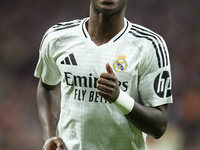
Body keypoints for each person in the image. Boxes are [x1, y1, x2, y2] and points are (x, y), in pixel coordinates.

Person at [34, 0, 173, 150]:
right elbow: (47, 86)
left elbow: (159, 126)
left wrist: (119, 98)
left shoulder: (149, 45)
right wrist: (49, 135)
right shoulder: (57, 37)